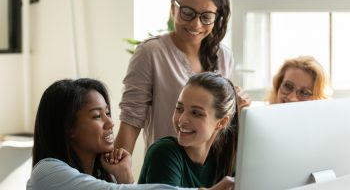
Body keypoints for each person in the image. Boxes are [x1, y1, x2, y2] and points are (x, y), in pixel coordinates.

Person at [27, 78, 234, 190]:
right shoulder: (47, 173)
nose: (110, 122)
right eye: (97, 116)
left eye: (108, 113)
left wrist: (124, 177)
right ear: (69, 128)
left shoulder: (106, 177)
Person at [115, 0, 251, 154]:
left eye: (206, 16)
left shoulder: (224, 56)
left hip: (212, 170)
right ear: (173, 8)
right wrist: (116, 176)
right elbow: (131, 119)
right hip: (166, 167)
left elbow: (221, 123)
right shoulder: (151, 53)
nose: (196, 24)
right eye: (187, 12)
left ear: (217, 16)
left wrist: (238, 106)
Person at [136, 72, 238, 188]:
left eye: (196, 113)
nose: (182, 119)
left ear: (221, 122)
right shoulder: (164, 153)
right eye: (179, 108)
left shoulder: (226, 159)